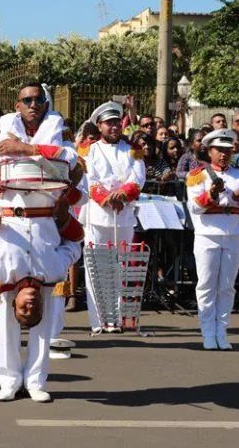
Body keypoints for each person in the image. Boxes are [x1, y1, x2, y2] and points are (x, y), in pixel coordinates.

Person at [0, 81, 81, 402]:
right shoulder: (1, 138)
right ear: (17, 105)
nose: (34, 104)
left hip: (45, 221)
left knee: (43, 305)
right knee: (8, 305)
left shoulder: (57, 136)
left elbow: (69, 161)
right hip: (10, 223)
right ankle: (8, 379)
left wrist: (27, 150)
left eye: (39, 100)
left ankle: (36, 379)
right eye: (27, 100)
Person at [187, 129, 239, 350]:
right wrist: (212, 195)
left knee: (227, 286)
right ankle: (208, 332)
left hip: (234, 231)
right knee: (206, 285)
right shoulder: (198, 174)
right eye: (219, 150)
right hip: (208, 233)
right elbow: (194, 207)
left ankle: (222, 331)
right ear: (209, 151)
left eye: (227, 150)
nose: (224, 154)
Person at [83, 101, 146, 334]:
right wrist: (108, 197)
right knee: (97, 267)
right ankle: (99, 319)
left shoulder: (132, 149)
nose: (115, 127)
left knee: (120, 267)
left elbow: (138, 177)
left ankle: (117, 317)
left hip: (124, 213)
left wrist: (125, 193)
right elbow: (89, 178)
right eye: (110, 123)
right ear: (99, 126)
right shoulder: (89, 149)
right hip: (100, 214)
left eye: (117, 122)